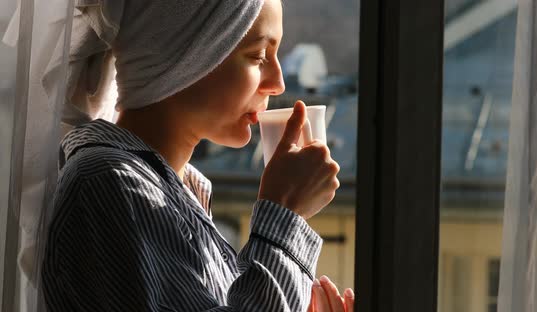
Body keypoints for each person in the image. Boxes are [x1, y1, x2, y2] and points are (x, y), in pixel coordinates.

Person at [40, 0, 354, 311]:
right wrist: (284, 214)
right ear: (187, 55)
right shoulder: (107, 185)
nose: (278, 84)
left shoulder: (176, 192)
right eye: (259, 57)